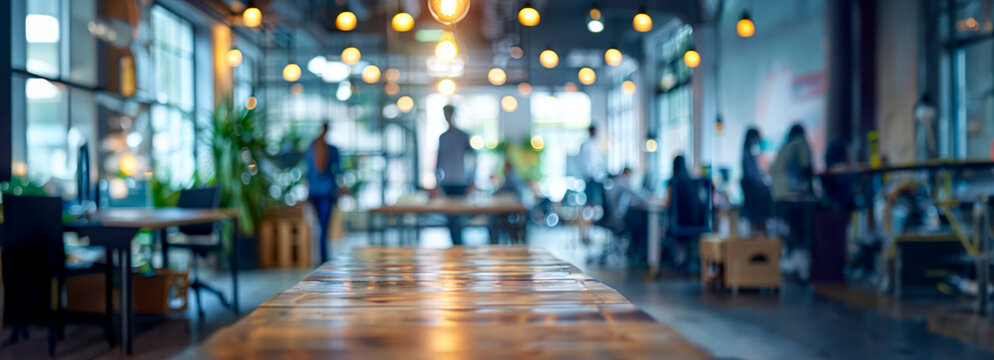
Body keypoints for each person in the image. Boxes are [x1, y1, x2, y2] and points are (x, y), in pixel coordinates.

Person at [768, 123, 816, 279]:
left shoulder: (785, 146)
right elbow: (807, 166)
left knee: (790, 231)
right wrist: (812, 188)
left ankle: (793, 262)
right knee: (804, 226)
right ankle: (802, 265)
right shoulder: (800, 143)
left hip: (778, 197)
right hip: (791, 197)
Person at [435, 104, 476, 246]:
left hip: (461, 182)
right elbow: (438, 162)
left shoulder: (463, 136)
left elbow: (473, 158)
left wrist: (472, 180)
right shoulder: (442, 137)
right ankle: (456, 247)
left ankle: (459, 247)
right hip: (447, 183)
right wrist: (437, 183)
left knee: (458, 219)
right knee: (450, 219)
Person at [306, 122, 342, 264]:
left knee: (319, 226)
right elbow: (338, 171)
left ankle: (321, 256)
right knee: (323, 226)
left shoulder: (310, 148)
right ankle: (323, 257)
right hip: (326, 192)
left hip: (315, 192)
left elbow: (307, 174)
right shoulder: (331, 150)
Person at [740, 128, 772, 232]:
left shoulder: (747, 154)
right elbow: (755, 178)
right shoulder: (749, 155)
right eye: (758, 138)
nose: (759, 141)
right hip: (755, 194)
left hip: (754, 192)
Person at [578, 126, 606, 206]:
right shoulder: (585, 145)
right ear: (590, 132)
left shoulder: (596, 144)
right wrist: (588, 173)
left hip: (598, 176)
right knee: (590, 201)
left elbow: (599, 161)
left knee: (598, 201)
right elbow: (582, 161)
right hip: (590, 176)